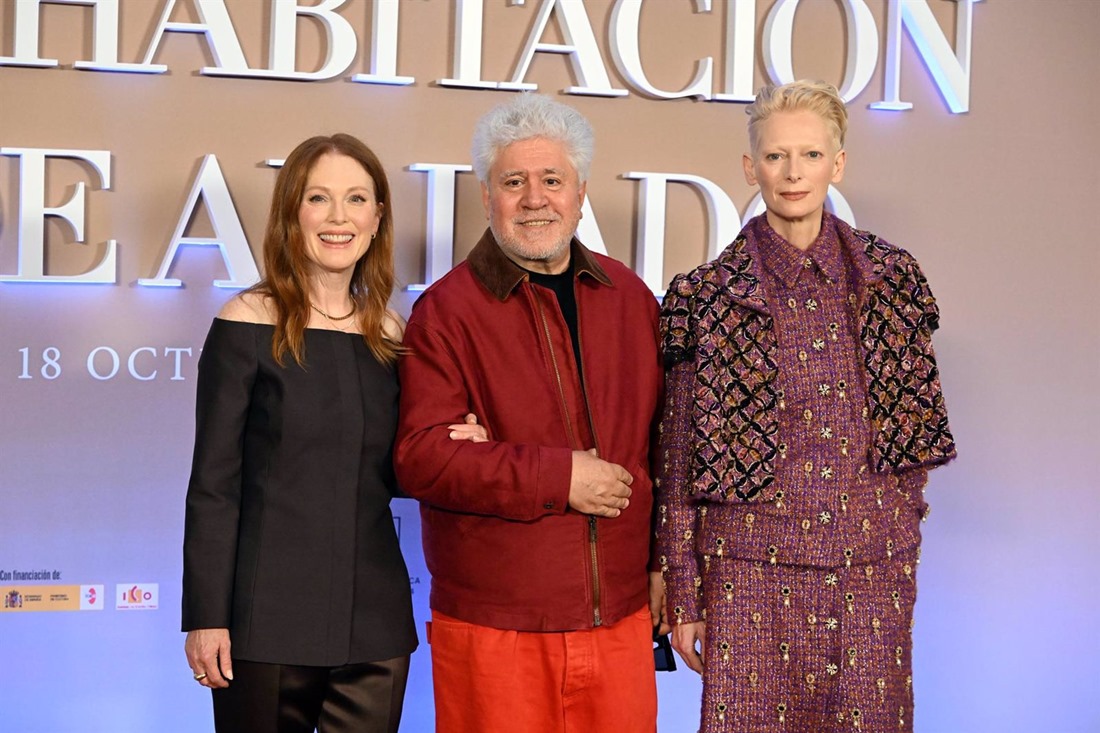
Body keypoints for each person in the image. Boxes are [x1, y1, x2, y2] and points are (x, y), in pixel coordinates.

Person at [657, 80, 957, 733]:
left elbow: (912, 438)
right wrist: (684, 588)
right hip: (747, 575)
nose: (793, 173)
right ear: (749, 166)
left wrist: (893, 543)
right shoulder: (706, 296)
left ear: (838, 163)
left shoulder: (891, 280)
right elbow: (678, 459)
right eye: (775, 156)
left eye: (811, 155)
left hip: (869, 571)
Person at [181, 133, 484, 733]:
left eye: (356, 199)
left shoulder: (397, 336)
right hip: (262, 621)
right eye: (319, 198)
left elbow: (398, 470)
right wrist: (206, 616)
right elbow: (214, 484)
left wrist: (456, 449)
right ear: (292, 214)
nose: (338, 217)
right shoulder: (245, 321)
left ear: (377, 218)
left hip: (373, 624)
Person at [393, 93, 666, 733]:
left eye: (552, 180)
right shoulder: (446, 311)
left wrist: (665, 566)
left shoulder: (631, 298)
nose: (535, 198)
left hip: (620, 621)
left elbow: (666, 448)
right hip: (495, 629)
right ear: (487, 195)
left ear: (580, 192)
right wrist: (557, 476)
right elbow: (423, 458)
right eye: (514, 182)